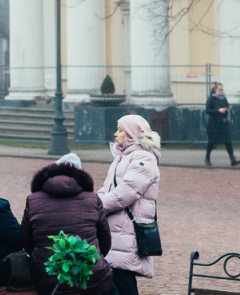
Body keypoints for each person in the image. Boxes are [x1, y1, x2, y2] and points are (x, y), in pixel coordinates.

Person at [21, 153, 113, 295]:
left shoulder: (33, 200)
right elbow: (105, 240)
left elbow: (26, 241)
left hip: (47, 275)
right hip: (90, 275)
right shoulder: (93, 199)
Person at [97, 116, 161, 295]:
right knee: (114, 280)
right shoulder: (122, 157)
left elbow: (125, 194)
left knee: (123, 280)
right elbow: (107, 188)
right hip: (117, 229)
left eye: (120, 130)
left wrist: (95, 207)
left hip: (127, 230)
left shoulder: (143, 158)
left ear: (132, 133)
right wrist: (90, 202)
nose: (115, 134)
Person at [204, 82, 240, 167]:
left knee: (228, 141)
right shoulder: (211, 99)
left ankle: (232, 159)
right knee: (211, 142)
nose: (221, 91)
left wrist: (226, 109)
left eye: (222, 90)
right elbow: (207, 110)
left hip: (223, 123)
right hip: (213, 124)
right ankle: (207, 157)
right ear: (215, 89)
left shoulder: (224, 98)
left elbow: (227, 106)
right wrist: (218, 110)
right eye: (220, 89)